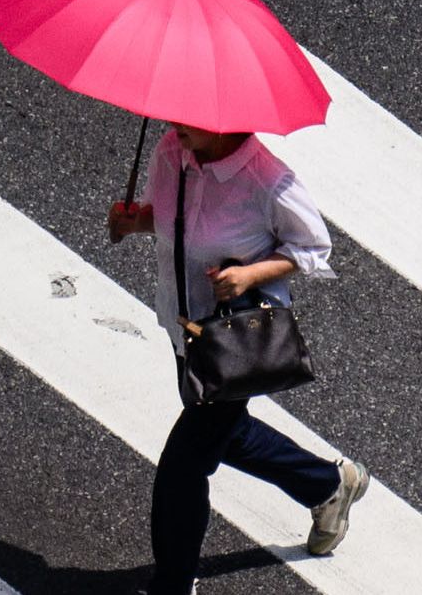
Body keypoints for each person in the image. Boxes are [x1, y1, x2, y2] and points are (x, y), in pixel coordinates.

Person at [108, 123, 368, 590]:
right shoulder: (173, 152)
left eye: (188, 118)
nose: (174, 124)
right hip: (182, 326)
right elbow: (172, 221)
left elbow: (312, 246)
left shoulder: (267, 180)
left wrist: (250, 276)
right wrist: (137, 221)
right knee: (224, 434)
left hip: (233, 343)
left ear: (224, 125)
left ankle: (173, 584)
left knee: (183, 466)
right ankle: (328, 485)